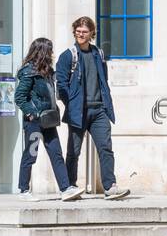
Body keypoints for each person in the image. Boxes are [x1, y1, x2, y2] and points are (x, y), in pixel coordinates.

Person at [55, 16, 130, 199]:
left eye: (84, 32)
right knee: (74, 152)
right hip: (78, 111)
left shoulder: (98, 54)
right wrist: (72, 103)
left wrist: (105, 105)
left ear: (91, 34)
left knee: (105, 148)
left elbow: (103, 80)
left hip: (99, 110)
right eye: (78, 31)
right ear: (74, 32)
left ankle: (110, 187)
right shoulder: (68, 56)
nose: (80, 34)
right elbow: (61, 85)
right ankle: (70, 187)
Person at [14, 38, 81, 201]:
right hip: (35, 122)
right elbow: (19, 97)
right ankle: (23, 190)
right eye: (49, 50)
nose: (52, 53)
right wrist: (32, 113)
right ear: (42, 52)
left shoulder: (48, 72)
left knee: (56, 153)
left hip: (49, 120)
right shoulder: (29, 72)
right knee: (31, 154)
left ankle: (65, 189)